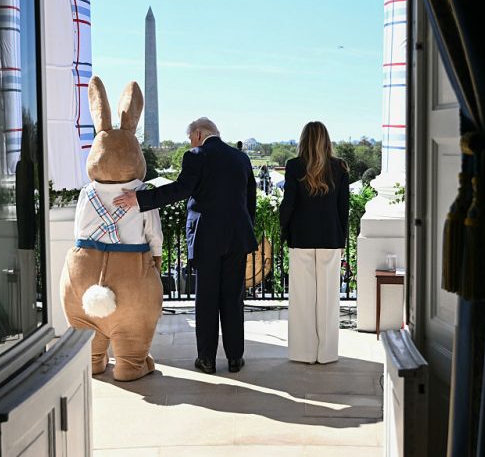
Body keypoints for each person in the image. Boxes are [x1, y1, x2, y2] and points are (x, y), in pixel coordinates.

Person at [113, 117, 257, 374]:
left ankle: (207, 360)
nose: (190, 142)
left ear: (199, 134)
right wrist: (242, 230)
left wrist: (139, 198)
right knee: (233, 299)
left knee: (207, 299)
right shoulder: (241, 158)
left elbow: (181, 189)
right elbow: (249, 201)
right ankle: (235, 358)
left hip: (206, 238)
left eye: (190, 137)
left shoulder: (196, 155)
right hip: (237, 237)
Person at [279, 121, 349, 364]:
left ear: (303, 139)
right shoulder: (339, 167)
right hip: (330, 238)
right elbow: (344, 209)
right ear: (326, 140)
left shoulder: (294, 166)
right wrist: (342, 240)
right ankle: (327, 353)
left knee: (302, 298)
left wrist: (284, 230)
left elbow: (288, 204)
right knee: (329, 300)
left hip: (301, 238)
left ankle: (303, 353)